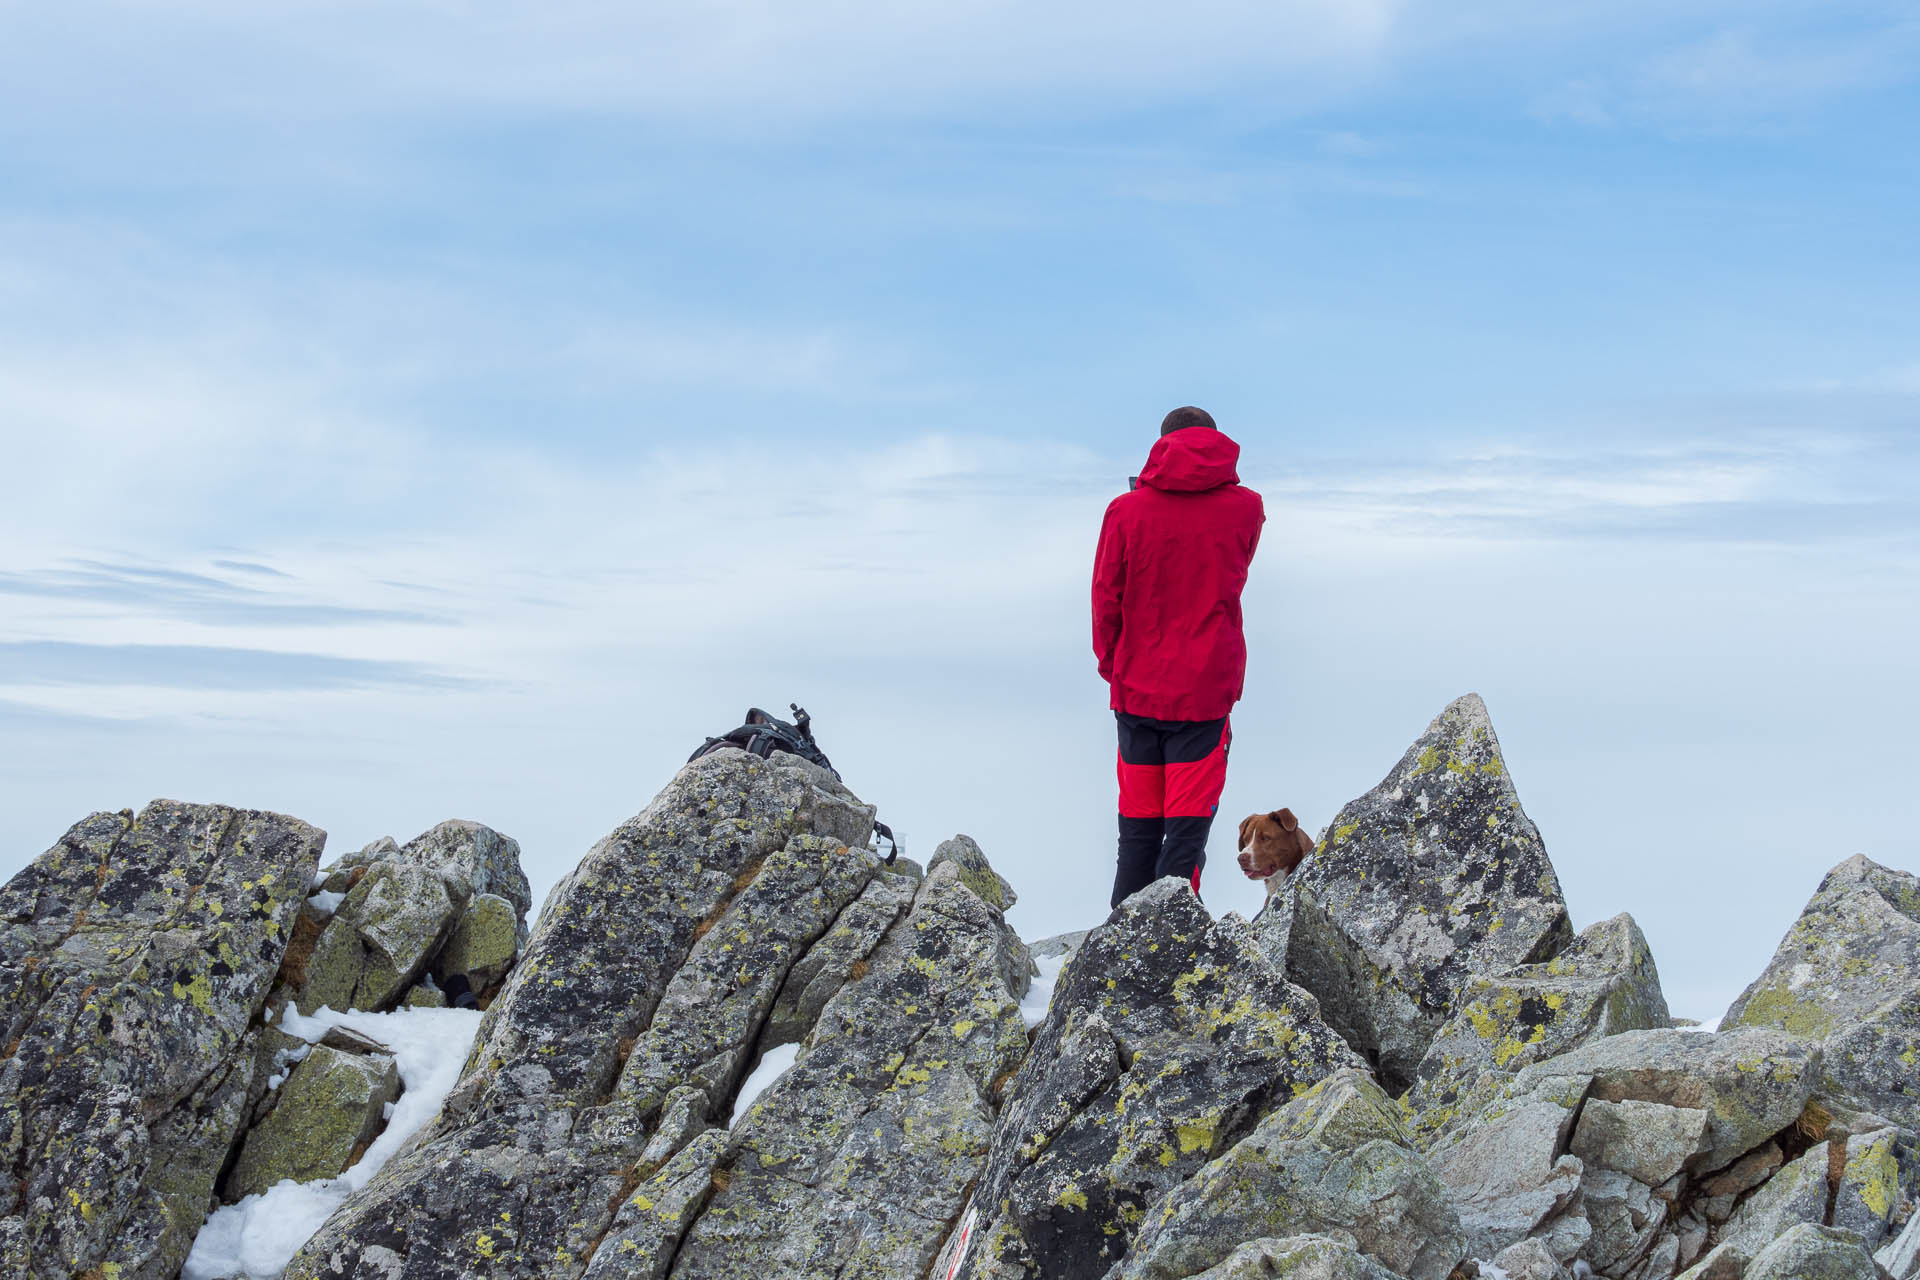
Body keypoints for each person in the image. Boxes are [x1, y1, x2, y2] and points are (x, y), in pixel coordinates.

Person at [1092, 406, 1265, 908]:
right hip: (1205, 695)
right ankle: (1172, 951)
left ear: (1162, 444)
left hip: (1137, 691)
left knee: (1138, 835)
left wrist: (1115, 667)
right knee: (1184, 841)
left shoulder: (1124, 512)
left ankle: (1116, 953)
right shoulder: (1247, 508)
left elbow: (1106, 596)